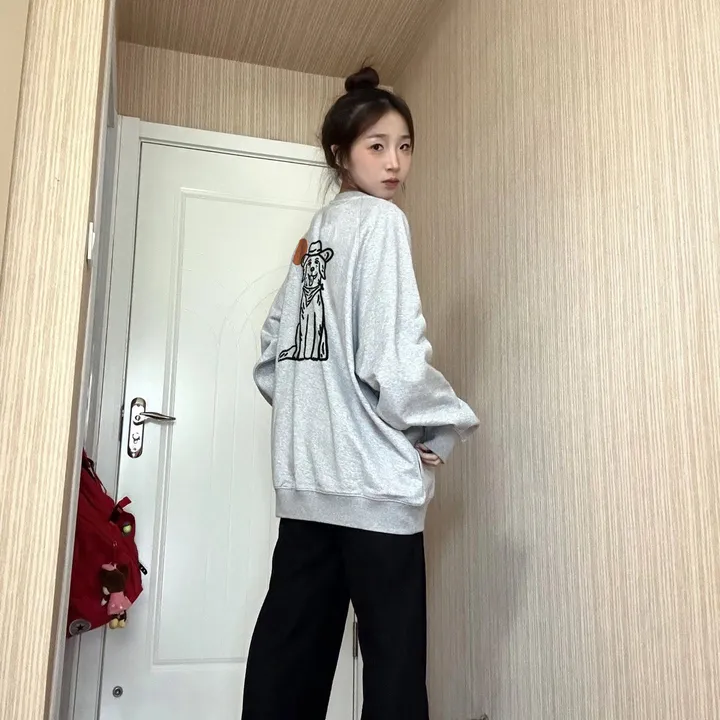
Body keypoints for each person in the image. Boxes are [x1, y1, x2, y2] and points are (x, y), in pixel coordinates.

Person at [242, 66, 479, 720]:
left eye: (404, 146)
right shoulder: (382, 223)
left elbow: (272, 358)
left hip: (307, 487)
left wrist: (315, 419)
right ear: (341, 153)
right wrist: (442, 426)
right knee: (394, 673)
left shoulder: (315, 235)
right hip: (374, 489)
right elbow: (391, 362)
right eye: (377, 146)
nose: (395, 162)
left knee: (287, 664)